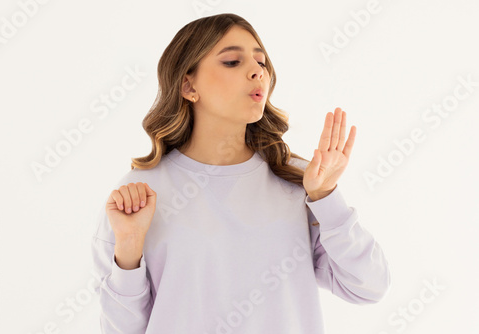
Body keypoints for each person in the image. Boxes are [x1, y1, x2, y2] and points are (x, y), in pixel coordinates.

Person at [90, 13, 391, 334]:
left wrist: (326, 197)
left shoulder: (299, 182)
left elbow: (369, 287)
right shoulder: (139, 194)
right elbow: (123, 330)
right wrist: (128, 248)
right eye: (232, 61)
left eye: (261, 62)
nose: (257, 71)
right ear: (188, 85)